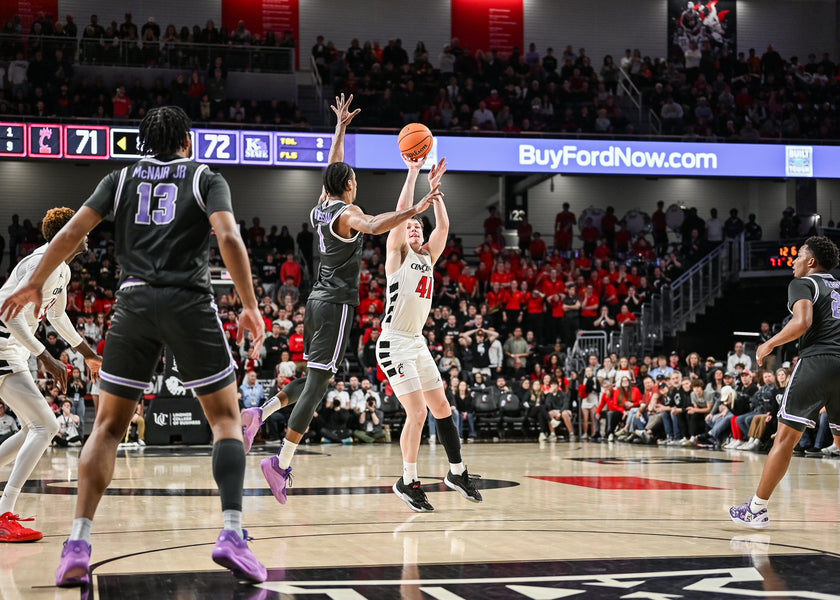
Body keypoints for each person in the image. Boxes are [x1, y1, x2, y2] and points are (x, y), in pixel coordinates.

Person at [0, 106, 267, 584]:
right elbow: (227, 234)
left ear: (144, 142)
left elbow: (71, 232)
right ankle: (230, 532)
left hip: (134, 304)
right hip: (189, 302)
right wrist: (247, 302)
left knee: (105, 429)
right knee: (226, 420)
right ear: (186, 141)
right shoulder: (206, 176)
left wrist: (36, 281)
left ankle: (78, 543)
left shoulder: (119, 179)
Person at [238, 95, 443, 504]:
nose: (355, 183)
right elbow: (374, 224)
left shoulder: (320, 207)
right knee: (316, 389)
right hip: (335, 304)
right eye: (353, 179)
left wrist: (340, 130)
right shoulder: (347, 213)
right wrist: (414, 209)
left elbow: (331, 170)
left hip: (317, 300)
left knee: (318, 377)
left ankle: (259, 413)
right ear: (347, 185)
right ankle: (281, 462)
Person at [376, 154, 481, 512]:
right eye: (410, 226)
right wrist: (413, 173)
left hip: (416, 343)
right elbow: (403, 210)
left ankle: (457, 472)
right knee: (417, 413)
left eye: (419, 226)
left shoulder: (427, 258)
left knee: (442, 407)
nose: (415, 228)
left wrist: (437, 196)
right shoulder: (397, 255)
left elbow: (444, 230)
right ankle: (407, 480)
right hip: (394, 342)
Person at [0, 208, 102, 544]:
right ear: (68, 234)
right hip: (3, 345)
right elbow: (8, 312)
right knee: (48, 425)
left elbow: (57, 317)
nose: (87, 234)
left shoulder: (63, 270)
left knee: (35, 426)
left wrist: (87, 354)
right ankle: (3, 513)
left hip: (15, 349)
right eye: (81, 229)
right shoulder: (39, 262)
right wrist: (45, 356)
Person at [730, 236, 840, 529]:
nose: (793, 261)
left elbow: (802, 322)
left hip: (817, 361)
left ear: (812, 261)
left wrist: (768, 345)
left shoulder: (803, 283)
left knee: (785, 439)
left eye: (799, 256)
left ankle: (756, 510)